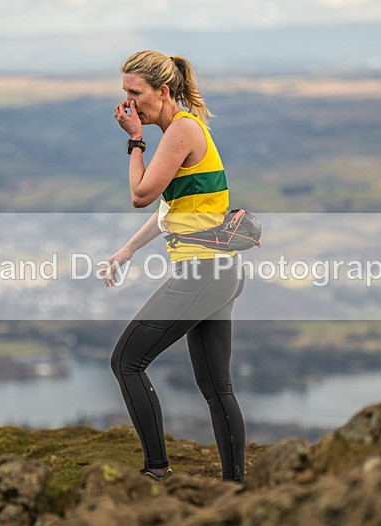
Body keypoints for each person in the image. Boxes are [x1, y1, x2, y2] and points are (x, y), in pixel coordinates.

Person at [105, 50, 246, 482]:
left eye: (135, 93)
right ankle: (235, 487)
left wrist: (134, 141)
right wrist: (127, 251)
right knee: (217, 388)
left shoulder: (180, 130)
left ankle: (156, 471)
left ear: (163, 91)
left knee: (126, 362)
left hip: (202, 275)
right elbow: (171, 207)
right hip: (220, 274)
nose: (128, 104)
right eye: (124, 93)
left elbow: (142, 194)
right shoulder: (184, 128)